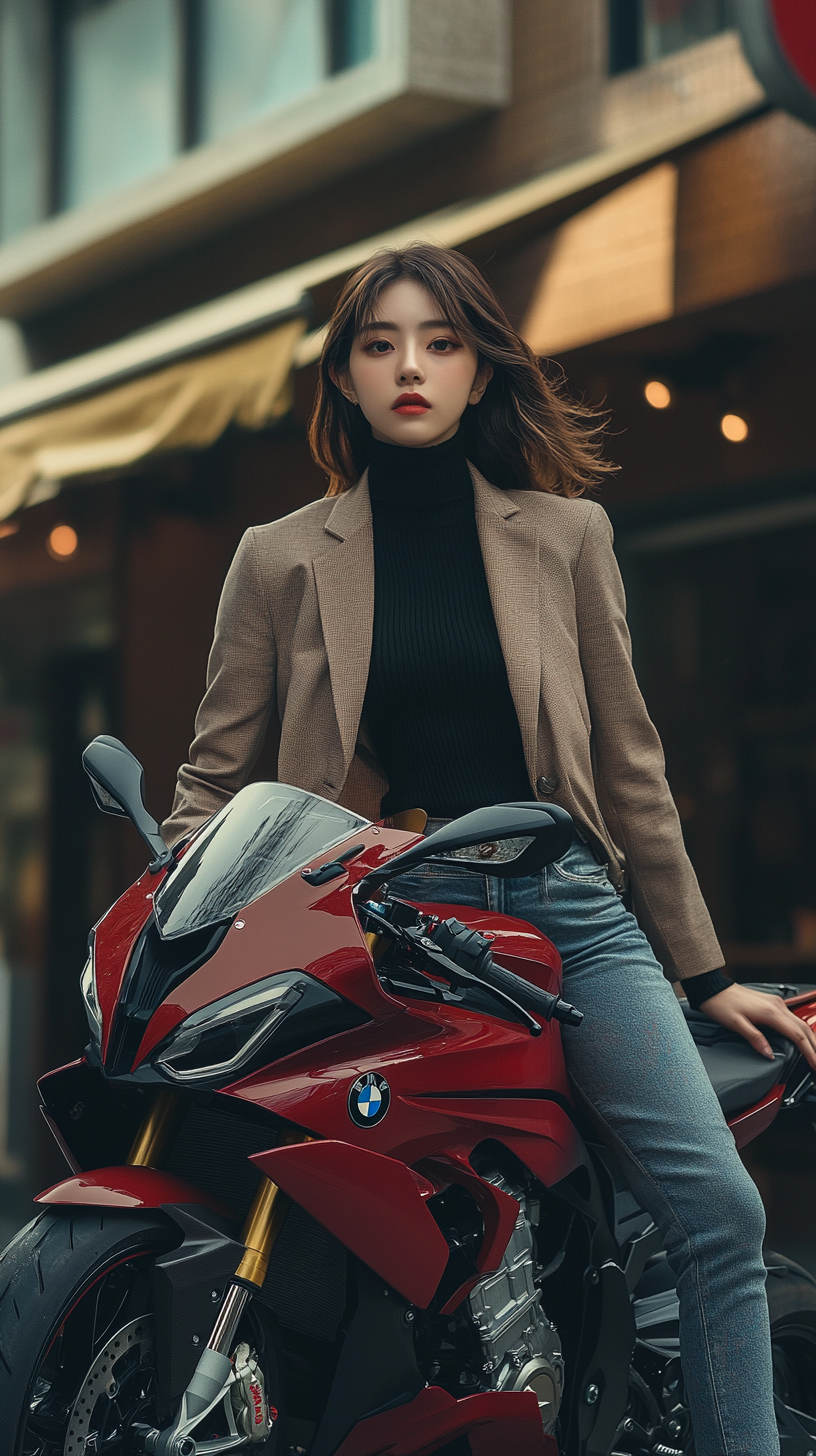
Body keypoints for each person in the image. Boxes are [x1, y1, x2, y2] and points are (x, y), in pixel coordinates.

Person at [163, 243, 816, 1454]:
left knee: (719, 1210)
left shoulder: (567, 536)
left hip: (565, 908)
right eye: (380, 343)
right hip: (376, 917)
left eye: (441, 342)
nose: (411, 365)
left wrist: (706, 970)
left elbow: (630, 765)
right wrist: (185, 906)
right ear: (345, 380)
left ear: (478, 371)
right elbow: (215, 780)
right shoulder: (281, 556)